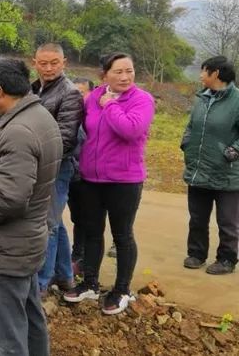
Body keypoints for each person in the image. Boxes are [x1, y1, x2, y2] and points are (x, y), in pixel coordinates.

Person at [0, 58, 62, 356]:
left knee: (4, 336)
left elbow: (10, 196)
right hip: (27, 241)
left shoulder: (19, 131)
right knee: (30, 317)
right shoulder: (40, 116)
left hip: (10, 246)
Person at [64, 53, 154, 315]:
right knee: (92, 232)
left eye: (130, 71)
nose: (125, 77)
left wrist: (110, 105)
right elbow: (84, 129)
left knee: (122, 235)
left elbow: (131, 130)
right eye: (118, 72)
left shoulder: (141, 100)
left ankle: (122, 289)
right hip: (92, 178)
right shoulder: (93, 97)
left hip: (124, 180)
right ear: (104, 75)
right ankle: (90, 282)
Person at [31, 44, 84, 297]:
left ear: (64, 62)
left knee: (46, 224)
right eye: (43, 63)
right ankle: (65, 276)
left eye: (54, 62)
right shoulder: (34, 89)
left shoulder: (69, 93)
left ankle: (41, 282)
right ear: (35, 63)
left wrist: (35, 158)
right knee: (55, 222)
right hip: (40, 163)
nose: (49, 68)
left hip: (56, 166)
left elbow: (66, 139)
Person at [181, 56, 239, 275]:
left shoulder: (237, 100)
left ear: (216, 73)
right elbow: (191, 125)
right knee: (197, 218)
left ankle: (227, 259)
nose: (200, 75)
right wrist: (186, 142)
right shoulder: (202, 99)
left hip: (226, 171)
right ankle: (196, 254)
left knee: (227, 221)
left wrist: (233, 151)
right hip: (198, 169)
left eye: (204, 71)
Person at [69, 77, 95, 269]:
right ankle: (77, 254)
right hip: (73, 175)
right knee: (77, 218)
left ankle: (83, 257)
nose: (78, 97)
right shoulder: (71, 116)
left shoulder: (93, 118)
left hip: (88, 176)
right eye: (74, 92)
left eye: (81, 92)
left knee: (88, 219)